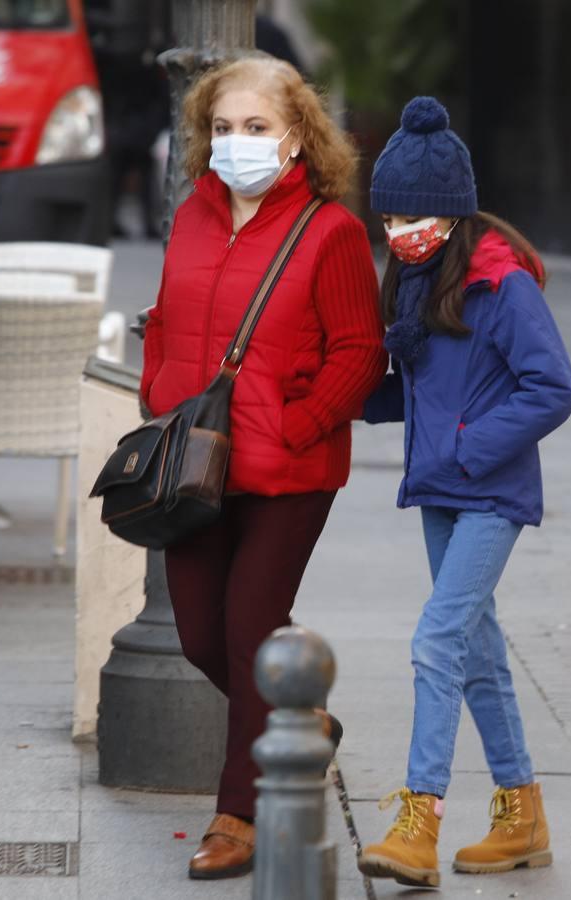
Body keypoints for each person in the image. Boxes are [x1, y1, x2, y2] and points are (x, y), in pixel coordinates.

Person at [139, 57, 386, 881]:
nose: (235, 143)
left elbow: (361, 353)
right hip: (196, 465)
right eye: (221, 128)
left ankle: (237, 813)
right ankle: (302, 717)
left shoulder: (332, 232)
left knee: (249, 631)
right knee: (202, 635)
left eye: (254, 128)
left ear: (296, 138)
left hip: (288, 471)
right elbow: (169, 320)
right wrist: (157, 388)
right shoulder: (191, 220)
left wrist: (298, 425)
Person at [357, 97, 571, 888]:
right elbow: (418, 388)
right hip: (443, 492)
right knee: (480, 652)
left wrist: (466, 446)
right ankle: (521, 816)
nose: (400, 231)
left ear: (452, 213)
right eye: (390, 216)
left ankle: (420, 818)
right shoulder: (415, 279)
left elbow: (553, 387)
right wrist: (341, 392)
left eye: (416, 216)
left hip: (488, 493)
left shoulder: (502, 286)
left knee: (437, 641)